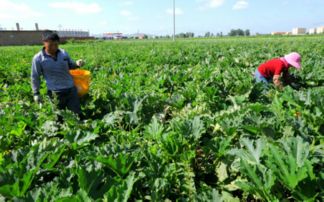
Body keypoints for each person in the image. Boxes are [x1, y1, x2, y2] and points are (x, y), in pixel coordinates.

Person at [31, 30, 85, 117]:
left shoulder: (63, 53)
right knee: (58, 117)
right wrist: (36, 93)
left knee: (77, 114)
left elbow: (71, 65)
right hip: (55, 93)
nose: (54, 48)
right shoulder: (38, 59)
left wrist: (77, 64)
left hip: (70, 89)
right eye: (50, 45)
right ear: (44, 43)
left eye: (56, 45)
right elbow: (35, 76)